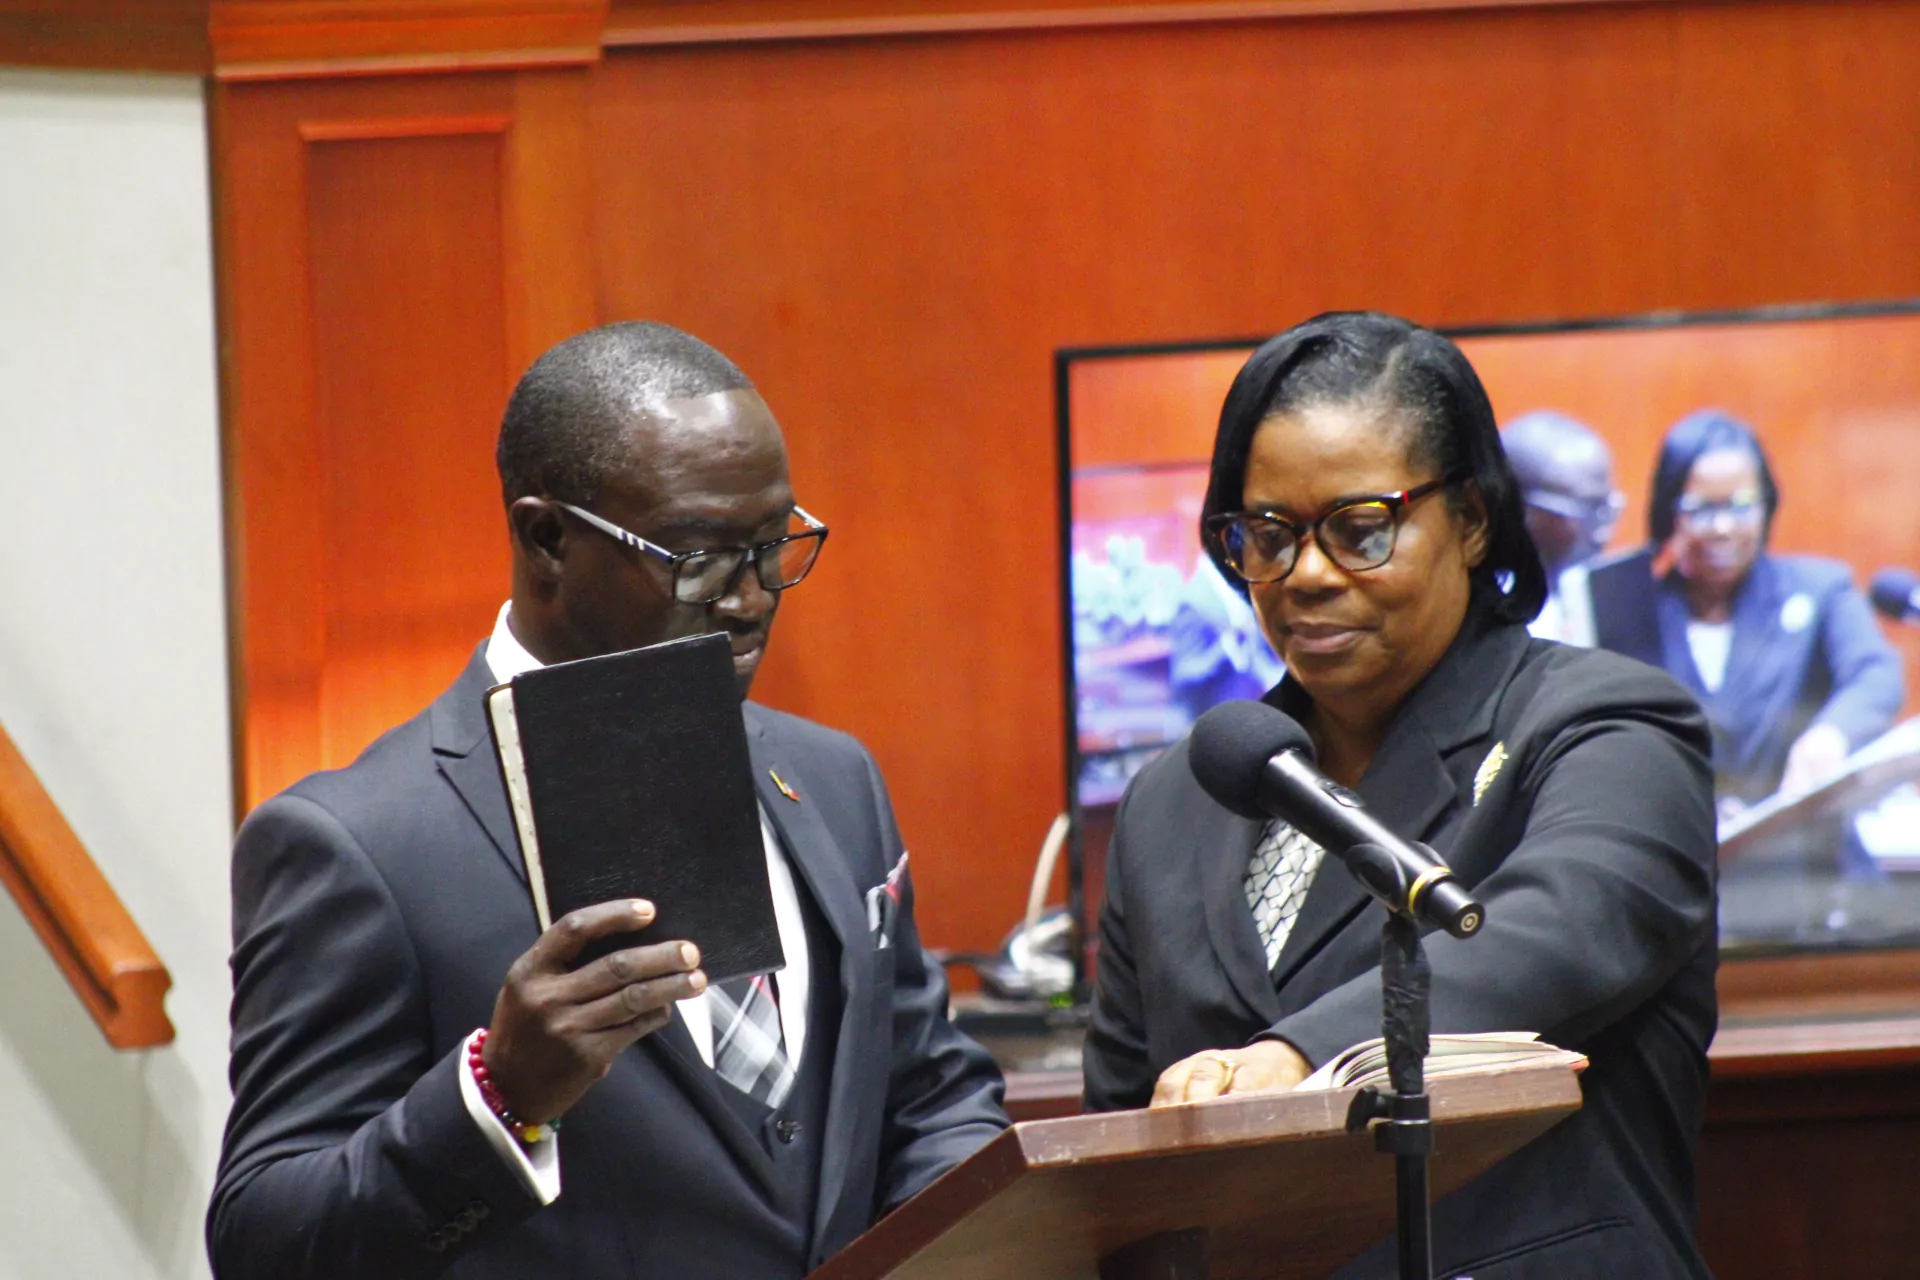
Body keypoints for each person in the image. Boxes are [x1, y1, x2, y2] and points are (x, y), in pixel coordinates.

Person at [208, 322, 1008, 1279]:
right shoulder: (357, 843)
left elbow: (928, 1094)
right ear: (546, 538)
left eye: (773, 547)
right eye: (701, 558)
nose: (751, 600)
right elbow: (264, 1238)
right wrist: (499, 1099)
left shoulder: (834, 780)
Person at [1083, 312, 1719, 1279]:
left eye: (1360, 530)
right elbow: (1126, 1148)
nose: (1306, 576)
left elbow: (1555, 933)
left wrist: (1305, 1058)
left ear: (1468, 521)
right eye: (1268, 534)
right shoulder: (1176, 798)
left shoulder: (1607, 724)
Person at [1585, 409, 1904, 809]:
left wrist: (1831, 734)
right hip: (1688, 854)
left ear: (1767, 506)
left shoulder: (1820, 590)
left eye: (1741, 505)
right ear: (1669, 514)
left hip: (1804, 856)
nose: (1723, 528)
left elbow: (1875, 675)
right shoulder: (1631, 610)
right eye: (1701, 509)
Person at [1501, 410, 1625, 645]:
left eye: (1605, 508)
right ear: (1521, 511)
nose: (1603, 532)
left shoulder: (1618, 600)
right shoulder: (1471, 609)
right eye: (1585, 511)